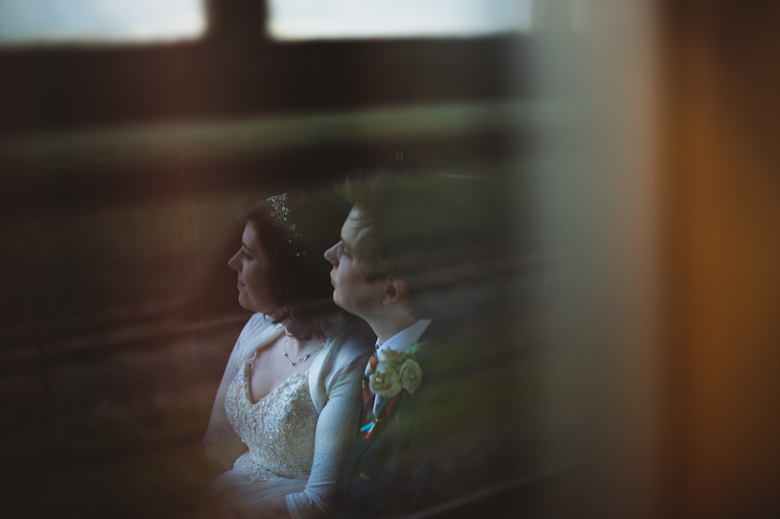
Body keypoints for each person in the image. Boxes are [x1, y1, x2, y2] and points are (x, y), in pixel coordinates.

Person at [324, 166, 528, 519]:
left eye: (346, 252)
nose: (329, 253)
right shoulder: (380, 355)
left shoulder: (451, 397)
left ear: (389, 290)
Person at [202, 192, 374, 519]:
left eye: (248, 255)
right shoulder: (257, 327)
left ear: (285, 273)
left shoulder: (347, 359)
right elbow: (218, 448)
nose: (232, 261)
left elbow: (321, 502)